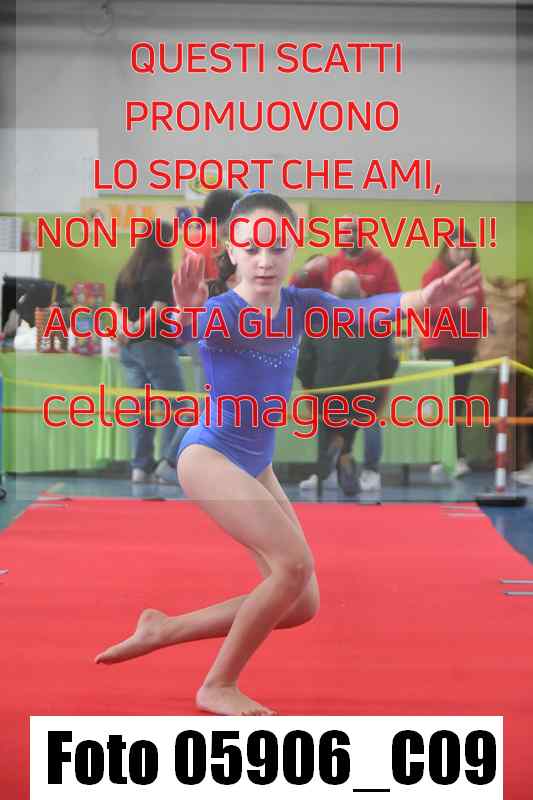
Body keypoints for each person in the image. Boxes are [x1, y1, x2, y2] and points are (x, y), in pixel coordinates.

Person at [96, 191, 482, 716]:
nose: (264, 260)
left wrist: (424, 298)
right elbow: (191, 327)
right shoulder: (221, 310)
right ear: (231, 250)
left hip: (256, 463)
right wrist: (186, 308)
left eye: (276, 247)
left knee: (301, 602)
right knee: (293, 566)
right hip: (210, 457)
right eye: (252, 247)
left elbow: (363, 313)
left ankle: (164, 629)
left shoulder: (303, 305)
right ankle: (218, 683)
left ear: (292, 250)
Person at [297, 270, 398, 495]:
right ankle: (369, 470)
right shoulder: (377, 318)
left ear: (331, 293)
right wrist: (382, 386)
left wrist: (310, 389)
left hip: (328, 394)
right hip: (366, 396)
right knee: (370, 416)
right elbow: (390, 362)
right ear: (361, 291)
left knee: (327, 420)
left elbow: (304, 364)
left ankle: (327, 468)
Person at [113, 222, 185, 483]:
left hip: (128, 349)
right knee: (178, 406)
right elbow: (158, 309)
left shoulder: (127, 270)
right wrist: (135, 330)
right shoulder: (162, 270)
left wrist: (125, 329)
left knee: (141, 408)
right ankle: (168, 464)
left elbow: (115, 305)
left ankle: (140, 467)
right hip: (155, 344)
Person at [420, 226, 486, 480]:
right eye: (457, 248)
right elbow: (426, 311)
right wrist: (457, 307)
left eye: (467, 248)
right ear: (446, 250)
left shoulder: (474, 275)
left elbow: (478, 307)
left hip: (465, 347)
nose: (462, 253)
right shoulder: (434, 274)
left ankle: (454, 455)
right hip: (440, 346)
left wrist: (483, 324)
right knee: (442, 403)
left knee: (459, 403)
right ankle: (440, 457)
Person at [290, 218, 401, 295]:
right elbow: (294, 290)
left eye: (355, 230)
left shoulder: (383, 264)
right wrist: (305, 270)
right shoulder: (327, 264)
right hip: (333, 321)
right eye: (344, 231)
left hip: (369, 321)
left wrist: (365, 298)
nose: (350, 235)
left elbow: (394, 302)